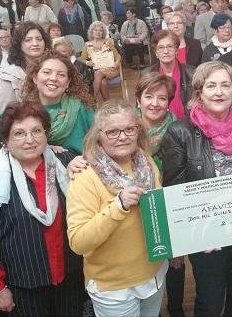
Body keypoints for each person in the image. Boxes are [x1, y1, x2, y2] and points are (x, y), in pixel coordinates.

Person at [161, 61, 232, 317]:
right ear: (199, 92)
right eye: (211, 85)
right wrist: (196, 233)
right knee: (210, 299)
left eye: (225, 85)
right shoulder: (180, 132)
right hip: (207, 235)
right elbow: (174, 188)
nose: (219, 92)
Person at [0, 102, 85, 316]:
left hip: (72, 278)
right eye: (19, 133)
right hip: (22, 287)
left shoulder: (66, 163)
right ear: (5, 140)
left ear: (46, 134)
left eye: (36, 131)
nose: (30, 140)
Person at [66, 101, 165, 317]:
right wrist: (118, 206)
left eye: (129, 129)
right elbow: (78, 241)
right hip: (114, 288)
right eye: (112, 131)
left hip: (154, 274)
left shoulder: (147, 162)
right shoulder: (85, 176)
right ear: (98, 135)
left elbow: (161, 213)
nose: (122, 136)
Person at [0, 51, 95, 155]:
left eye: (61, 75)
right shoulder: (21, 112)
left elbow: (101, 143)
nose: (53, 78)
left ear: (68, 83)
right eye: (47, 72)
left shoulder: (83, 109)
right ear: (35, 78)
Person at [135, 72, 184, 317]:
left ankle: (175, 307)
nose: (155, 103)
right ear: (138, 99)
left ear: (169, 101)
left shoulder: (178, 129)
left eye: (162, 98)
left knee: (175, 260)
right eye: (149, 96)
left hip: (170, 199)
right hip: (135, 203)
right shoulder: (125, 129)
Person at [0, 22, 50, 111]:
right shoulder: (9, 76)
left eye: (39, 39)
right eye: (28, 40)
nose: (35, 43)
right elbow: (6, 115)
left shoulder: (53, 65)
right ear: (19, 44)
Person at [142, 30, 194, 119]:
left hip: (185, 125)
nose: (166, 51)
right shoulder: (146, 74)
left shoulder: (191, 73)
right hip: (156, 124)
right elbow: (140, 106)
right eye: (161, 47)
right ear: (155, 52)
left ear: (177, 50)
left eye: (170, 46)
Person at [80, 21, 122, 101]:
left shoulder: (107, 42)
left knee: (98, 73)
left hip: (111, 68)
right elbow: (81, 59)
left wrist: (117, 62)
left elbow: (117, 56)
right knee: (103, 82)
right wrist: (88, 62)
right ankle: (108, 103)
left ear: (103, 32)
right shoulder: (87, 45)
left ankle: (92, 100)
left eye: (100, 30)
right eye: (96, 30)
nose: (98, 32)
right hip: (96, 69)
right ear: (92, 32)